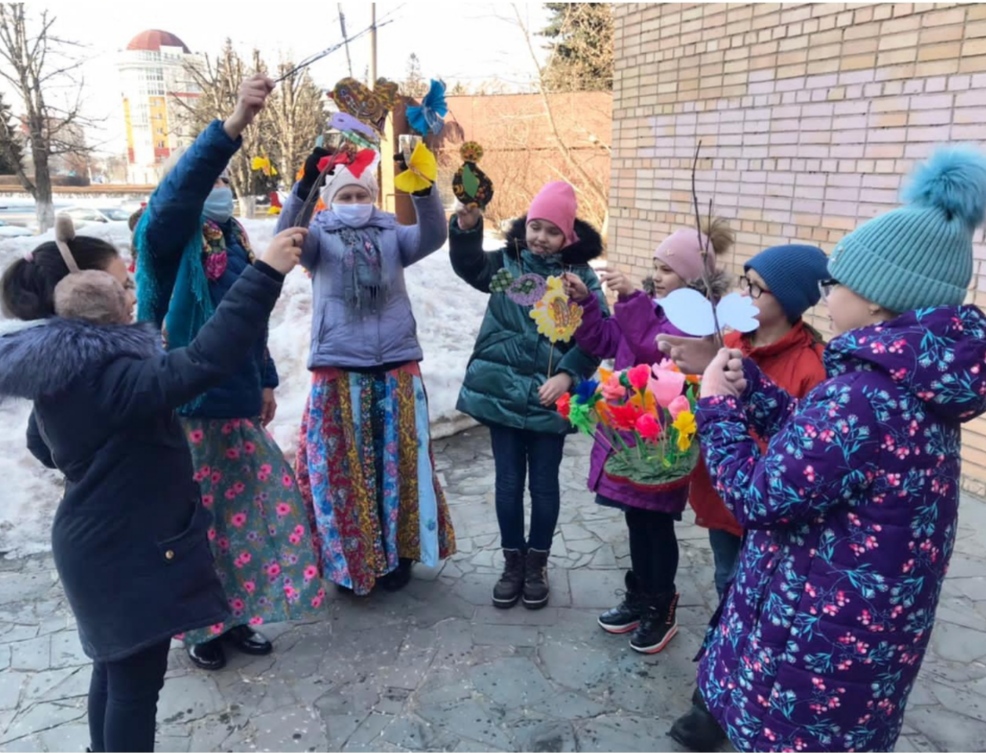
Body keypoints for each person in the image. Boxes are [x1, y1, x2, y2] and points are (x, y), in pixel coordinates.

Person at [669, 146, 986, 752]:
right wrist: (755, 388)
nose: (825, 292)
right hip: (863, 642)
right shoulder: (910, 382)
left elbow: (761, 497)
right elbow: (829, 461)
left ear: (874, 297)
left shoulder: (862, 396)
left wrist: (716, 403)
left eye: (833, 281)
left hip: (814, 644)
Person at [0, 213, 306, 752]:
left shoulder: (59, 371)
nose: (132, 294)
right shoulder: (116, 376)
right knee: (135, 689)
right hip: (126, 553)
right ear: (85, 296)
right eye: (122, 285)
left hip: (93, 547)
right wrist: (264, 272)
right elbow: (208, 359)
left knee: (116, 673)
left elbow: (42, 449)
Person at [132, 75, 323, 671]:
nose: (218, 189)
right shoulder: (163, 240)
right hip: (188, 410)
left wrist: (265, 378)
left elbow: (249, 314)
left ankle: (235, 614)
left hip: (237, 403)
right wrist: (236, 120)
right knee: (196, 526)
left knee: (243, 520)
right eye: (207, 181)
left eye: (222, 181)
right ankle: (199, 626)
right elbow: (175, 196)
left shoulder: (234, 237)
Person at [278, 144, 455, 596]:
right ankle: (351, 560)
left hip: (396, 367)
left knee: (396, 469)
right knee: (342, 472)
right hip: (339, 372)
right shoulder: (318, 237)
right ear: (332, 198)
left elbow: (433, 235)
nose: (355, 204)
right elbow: (287, 237)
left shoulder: (392, 233)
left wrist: (421, 185)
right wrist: (305, 184)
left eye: (362, 195)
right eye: (346, 195)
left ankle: (398, 556)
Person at [563, 220, 732, 653]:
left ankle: (662, 603)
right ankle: (640, 594)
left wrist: (631, 300)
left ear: (694, 278)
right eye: (656, 267)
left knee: (655, 526)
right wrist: (588, 306)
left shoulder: (698, 322)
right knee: (636, 521)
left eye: (668, 269)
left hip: (660, 445)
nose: (657, 276)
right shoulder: (646, 306)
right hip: (629, 435)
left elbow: (649, 346)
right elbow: (606, 339)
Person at [452, 181, 606, 609]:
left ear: (568, 236)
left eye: (552, 230)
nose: (540, 237)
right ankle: (512, 562)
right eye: (535, 226)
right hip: (502, 395)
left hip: (547, 402)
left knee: (543, 486)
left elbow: (596, 337)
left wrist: (569, 376)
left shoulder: (581, 279)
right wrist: (466, 229)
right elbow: (469, 267)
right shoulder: (508, 266)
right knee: (506, 485)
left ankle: (537, 564)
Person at [660, 244, 830, 600]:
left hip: (770, 503)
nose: (741, 293)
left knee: (761, 588)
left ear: (787, 299)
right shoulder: (730, 341)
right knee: (726, 575)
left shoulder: (813, 367)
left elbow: (803, 449)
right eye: (743, 281)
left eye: (754, 288)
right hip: (722, 493)